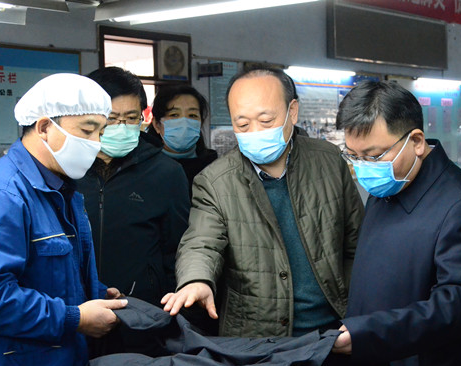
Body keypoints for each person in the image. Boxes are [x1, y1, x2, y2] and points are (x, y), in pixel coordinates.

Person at [0, 73, 128, 366]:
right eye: (87, 131)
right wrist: (76, 318)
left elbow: (53, 274)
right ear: (45, 127)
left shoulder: (62, 190)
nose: (96, 144)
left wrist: (94, 294)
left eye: (101, 132)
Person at [332, 80, 461, 366]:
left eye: (374, 156)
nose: (363, 168)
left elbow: (460, 304)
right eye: (354, 156)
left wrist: (369, 334)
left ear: (417, 142)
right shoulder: (387, 188)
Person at [161, 65, 364, 337]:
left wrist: (359, 311)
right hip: (257, 339)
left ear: (293, 111)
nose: (255, 132)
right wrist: (196, 280)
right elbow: (201, 242)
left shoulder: (328, 161)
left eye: (266, 121)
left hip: (334, 331)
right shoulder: (215, 181)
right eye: (242, 124)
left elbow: (357, 244)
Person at [77, 67, 190, 349]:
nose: (122, 127)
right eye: (112, 118)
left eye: (131, 118)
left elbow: (178, 250)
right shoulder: (67, 170)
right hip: (76, 314)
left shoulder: (166, 173)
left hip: (142, 317)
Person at [147, 84, 218, 193]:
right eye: (174, 115)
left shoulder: (215, 169)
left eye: (192, 115)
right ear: (157, 124)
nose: (184, 122)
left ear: (200, 123)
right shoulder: (144, 169)